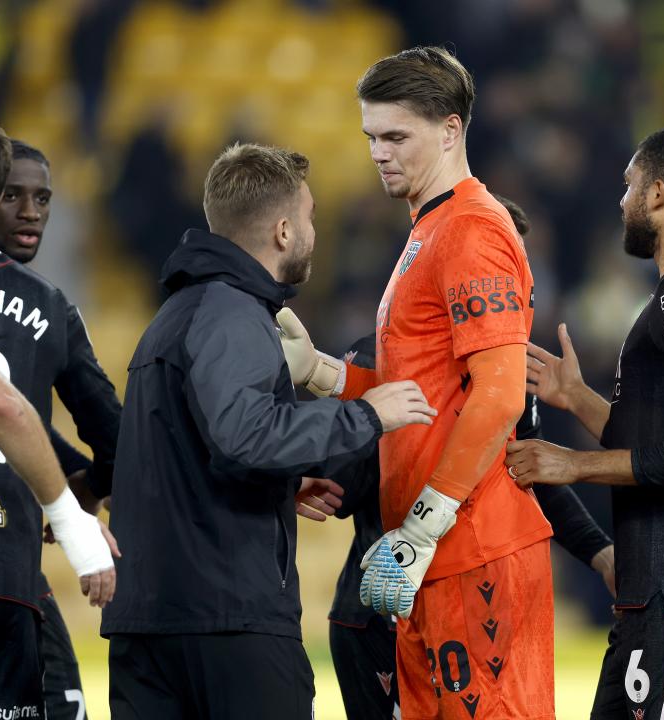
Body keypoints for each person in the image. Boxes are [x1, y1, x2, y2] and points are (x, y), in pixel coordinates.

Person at [100, 142, 437, 718]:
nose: (312, 231)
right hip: (228, 623)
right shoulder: (231, 311)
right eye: (308, 217)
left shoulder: (175, 315)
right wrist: (366, 414)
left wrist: (281, 481)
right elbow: (243, 434)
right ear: (283, 231)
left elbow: (199, 454)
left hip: (152, 622)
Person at [278, 47, 557, 719]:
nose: (379, 152)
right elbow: (418, 391)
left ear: (451, 131)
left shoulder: (470, 231)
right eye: (371, 136)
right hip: (425, 555)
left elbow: (498, 390)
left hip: (471, 546)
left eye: (396, 136)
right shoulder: (428, 230)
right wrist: (323, 371)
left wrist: (427, 524)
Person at [506, 123, 664, 720]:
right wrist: (577, 398)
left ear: (657, 194)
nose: (621, 202)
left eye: (628, 187)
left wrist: (575, 465)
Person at [325, 195, 616, 720]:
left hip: (467, 596)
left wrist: (599, 553)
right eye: (501, 264)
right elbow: (343, 489)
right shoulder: (380, 359)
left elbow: (529, 470)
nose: (508, 282)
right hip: (382, 612)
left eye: (517, 264)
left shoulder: (505, 370)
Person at [0, 113, 118, 719]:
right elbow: (115, 437)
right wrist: (78, 503)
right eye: (15, 195)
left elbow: (5, 409)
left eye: (42, 198)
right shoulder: (50, 306)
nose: (30, 211)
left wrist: (74, 501)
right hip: (7, 577)